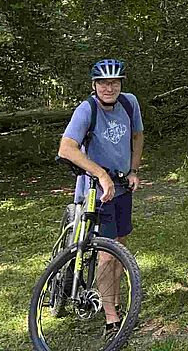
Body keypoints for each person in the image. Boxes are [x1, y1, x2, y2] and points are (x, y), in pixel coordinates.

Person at [58, 59, 144, 333]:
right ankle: (111, 318)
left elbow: (137, 136)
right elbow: (66, 148)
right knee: (107, 254)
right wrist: (100, 174)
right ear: (94, 85)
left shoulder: (129, 103)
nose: (109, 88)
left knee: (120, 250)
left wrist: (133, 170)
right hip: (98, 192)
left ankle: (114, 301)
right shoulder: (87, 109)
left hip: (122, 188)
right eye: (104, 83)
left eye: (114, 82)